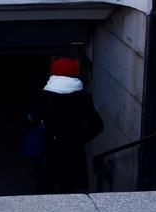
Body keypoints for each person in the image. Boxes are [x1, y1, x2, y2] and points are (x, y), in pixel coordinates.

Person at [28, 57, 104, 194]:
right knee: (71, 190)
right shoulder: (84, 98)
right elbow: (97, 125)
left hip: (49, 149)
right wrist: (80, 138)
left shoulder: (44, 97)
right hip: (74, 150)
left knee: (47, 188)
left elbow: (32, 121)